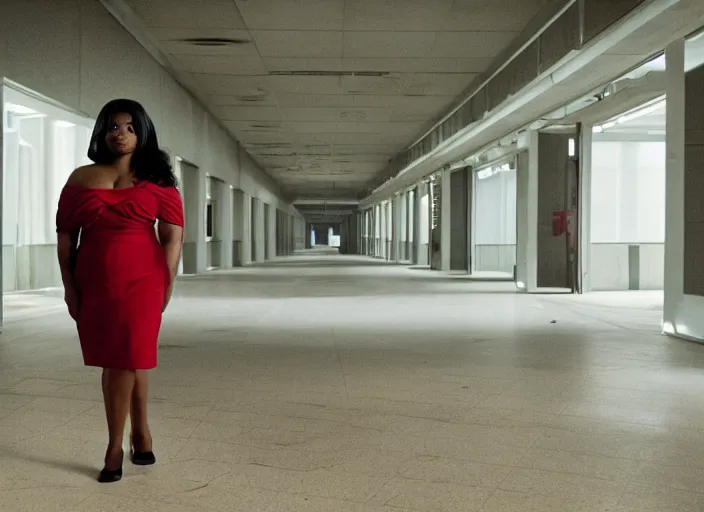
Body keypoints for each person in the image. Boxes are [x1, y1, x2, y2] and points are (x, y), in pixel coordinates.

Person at [56, 99, 184, 483]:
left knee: (125, 357)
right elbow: (66, 236)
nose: (122, 134)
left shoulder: (158, 181)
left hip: (143, 278)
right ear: (101, 132)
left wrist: (168, 282)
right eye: (113, 127)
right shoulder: (81, 178)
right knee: (126, 355)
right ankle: (141, 434)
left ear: (142, 132)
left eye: (130, 127)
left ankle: (114, 446)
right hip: (95, 278)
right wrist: (69, 286)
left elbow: (173, 235)